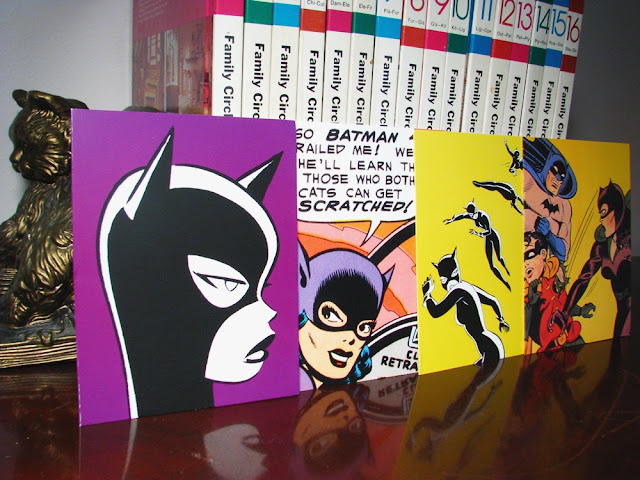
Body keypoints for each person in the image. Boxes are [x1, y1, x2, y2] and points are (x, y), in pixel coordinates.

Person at [557, 182, 631, 338]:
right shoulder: (602, 247)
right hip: (622, 314)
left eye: (604, 212)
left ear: (617, 210)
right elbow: (583, 279)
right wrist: (565, 312)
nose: (601, 220)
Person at [422, 248, 509, 366]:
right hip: (487, 348)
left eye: (452, 275)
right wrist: (501, 320)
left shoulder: (460, 290)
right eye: (443, 280)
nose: (448, 283)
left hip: (490, 348)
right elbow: (493, 301)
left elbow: (436, 312)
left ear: (457, 272)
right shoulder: (466, 287)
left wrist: (427, 295)